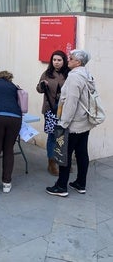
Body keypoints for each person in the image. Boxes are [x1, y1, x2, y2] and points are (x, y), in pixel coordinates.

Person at [46, 49, 95, 197]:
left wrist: (64, 123)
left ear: (78, 62)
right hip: (84, 122)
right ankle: (80, 183)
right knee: (81, 153)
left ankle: (61, 186)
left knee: (64, 155)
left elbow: (71, 102)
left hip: (73, 124)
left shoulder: (74, 77)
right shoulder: (87, 75)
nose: (69, 59)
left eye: (71, 58)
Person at [36, 50, 69, 176]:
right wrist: (42, 85)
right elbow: (38, 89)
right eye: (54, 60)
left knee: (63, 136)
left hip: (65, 110)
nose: (56, 62)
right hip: (50, 109)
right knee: (52, 136)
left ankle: (61, 161)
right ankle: (51, 163)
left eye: (59, 60)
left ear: (63, 61)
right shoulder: (47, 73)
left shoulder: (69, 73)